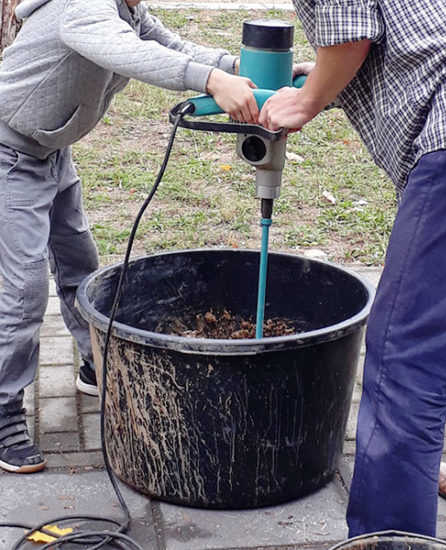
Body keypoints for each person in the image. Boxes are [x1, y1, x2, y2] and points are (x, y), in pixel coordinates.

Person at [259, 0, 446, 539]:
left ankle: (389, 536)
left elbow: (351, 40)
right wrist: (319, 77)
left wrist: (306, 100)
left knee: (406, 355)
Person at [0, 0, 260, 474]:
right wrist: (208, 81)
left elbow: (170, 45)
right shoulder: (84, 6)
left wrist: (240, 69)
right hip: (9, 154)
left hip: (51, 153)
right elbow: (129, 53)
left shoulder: (128, 9)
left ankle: (92, 364)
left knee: (81, 265)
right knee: (24, 293)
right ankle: (3, 406)